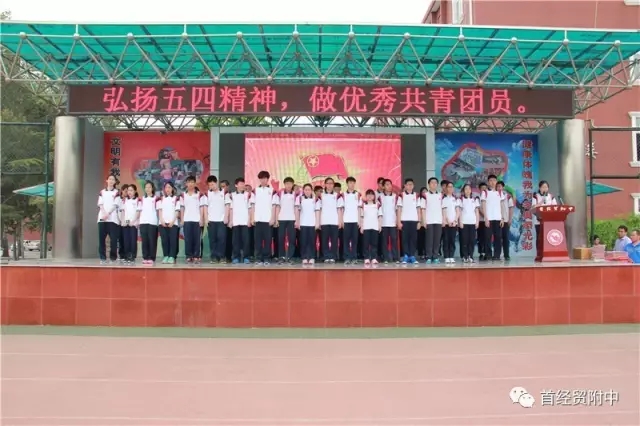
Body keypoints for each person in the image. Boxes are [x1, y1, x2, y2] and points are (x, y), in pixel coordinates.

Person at [252, 171, 276, 265]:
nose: (263, 180)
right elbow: (252, 205)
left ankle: (266, 258)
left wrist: (273, 218)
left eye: (265, 178)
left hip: (268, 220)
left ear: (267, 179)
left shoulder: (272, 191)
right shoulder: (255, 191)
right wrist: (252, 218)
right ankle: (258, 258)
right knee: (257, 240)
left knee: (268, 240)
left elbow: (274, 205)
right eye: (261, 178)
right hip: (258, 219)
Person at [204, 175, 230, 264]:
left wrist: (226, 217)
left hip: (221, 220)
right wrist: (206, 219)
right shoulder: (207, 194)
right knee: (212, 239)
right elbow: (205, 207)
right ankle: (214, 257)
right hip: (211, 220)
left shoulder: (224, 192)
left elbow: (227, 205)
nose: (211, 186)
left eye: (213, 184)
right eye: (210, 185)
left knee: (221, 239)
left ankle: (222, 257)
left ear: (216, 182)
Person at [180, 175, 206, 264]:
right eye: (189, 182)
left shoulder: (200, 195)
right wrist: (182, 219)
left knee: (197, 239)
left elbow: (201, 207)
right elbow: (182, 208)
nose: (190, 184)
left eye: (192, 182)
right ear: (186, 184)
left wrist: (201, 219)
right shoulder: (183, 195)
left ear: (195, 183)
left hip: (197, 220)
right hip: (187, 220)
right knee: (188, 239)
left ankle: (196, 256)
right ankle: (189, 256)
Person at [317, 177, 344, 263]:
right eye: (328, 183)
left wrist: (340, 221)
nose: (329, 185)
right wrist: (318, 222)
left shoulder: (338, 195)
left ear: (333, 185)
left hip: (334, 221)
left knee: (334, 240)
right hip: (324, 221)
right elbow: (319, 209)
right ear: (325, 184)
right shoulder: (321, 195)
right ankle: (325, 256)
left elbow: (339, 209)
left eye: (331, 183)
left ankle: (333, 256)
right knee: (324, 240)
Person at [480, 174, 506, 261]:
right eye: (490, 181)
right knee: (487, 237)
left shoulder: (500, 193)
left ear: (496, 181)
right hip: (489, 219)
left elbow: (502, 206)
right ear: (488, 182)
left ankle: (497, 255)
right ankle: (488, 255)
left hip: (498, 219)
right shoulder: (485, 192)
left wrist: (502, 218)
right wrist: (486, 218)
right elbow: (483, 205)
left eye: (494, 180)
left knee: (498, 237)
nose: (492, 182)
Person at [530, 180, 557, 259]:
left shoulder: (551, 196)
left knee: (548, 237)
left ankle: (548, 254)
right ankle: (539, 254)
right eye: (543, 187)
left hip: (549, 221)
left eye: (546, 187)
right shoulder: (535, 196)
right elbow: (533, 208)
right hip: (538, 221)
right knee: (539, 238)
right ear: (540, 188)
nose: (545, 189)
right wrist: (541, 202)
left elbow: (555, 207)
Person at [97, 175, 121, 264]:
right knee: (101, 239)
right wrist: (104, 213)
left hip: (113, 219)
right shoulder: (102, 192)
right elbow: (100, 204)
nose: (111, 181)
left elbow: (115, 205)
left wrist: (108, 213)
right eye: (109, 179)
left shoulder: (116, 192)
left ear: (115, 182)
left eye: (113, 179)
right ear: (106, 180)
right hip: (102, 218)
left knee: (113, 240)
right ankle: (102, 258)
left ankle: (113, 258)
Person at [295, 183, 320, 265]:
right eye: (306, 190)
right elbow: (297, 211)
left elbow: (317, 211)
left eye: (309, 190)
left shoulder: (316, 199)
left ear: (311, 190)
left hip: (312, 223)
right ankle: (304, 257)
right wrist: (297, 221)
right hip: (303, 223)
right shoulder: (299, 198)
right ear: (303, 190)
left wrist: (317, 223)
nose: (307, 191)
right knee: (303, 241)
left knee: (312, 241)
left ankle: (312, 257)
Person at [397, 178, 420, 265]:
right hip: (404, 220)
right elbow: (399, 209)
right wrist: (398, 221)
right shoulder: (401, 195)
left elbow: (418, 209)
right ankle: (406, 255)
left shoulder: (416, 195)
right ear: (405, 186)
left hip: (414, 220)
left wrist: (419, 221)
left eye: (411, 184)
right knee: (405, 239)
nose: (410, 186)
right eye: (408, 184)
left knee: (413, 239)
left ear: (413, 186)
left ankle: (412, 256)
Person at [229, 177, 253, 264]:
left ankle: (246, 257)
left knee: (246, 241)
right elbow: (231, 209)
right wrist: (231, 220)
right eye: (240, 184)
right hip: (235, 221)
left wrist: (250, 219)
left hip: (245, 221)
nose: (242, 185)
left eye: (243, 183)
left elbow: (250, 208)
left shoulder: (248, 195)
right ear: (236, 185)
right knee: (235, 241)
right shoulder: (232, 195)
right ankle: (236, 257)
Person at [274, 177, 297, 264]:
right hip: (281, 219)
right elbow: (277, 207)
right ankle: (281, 256)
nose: (288, 185)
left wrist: (297, 220)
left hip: (292, 219)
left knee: (292, 239)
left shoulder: (296, 194)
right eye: (287, 183)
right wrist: (276, 219)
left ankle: (290, 257)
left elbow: (296, 208)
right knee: (281, 238)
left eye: (290, 183)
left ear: (292, 184)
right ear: (284, 184)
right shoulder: (279, 193)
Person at [421, 177, 443, 264]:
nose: (434, 184)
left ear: (437, 184)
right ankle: (429, 256)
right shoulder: (425, 195)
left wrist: (443, 220)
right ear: (429, 184)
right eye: (432, 183)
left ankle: (435, 256)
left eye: (435, 183)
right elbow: (423, 209)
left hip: (438, 220)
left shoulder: (441, 195)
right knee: (429, 240)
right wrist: (424, 221)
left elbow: (443, 208)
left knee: (437, 240)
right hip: (429, 220)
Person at [158, 182, 181, 264]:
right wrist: (162, 221)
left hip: (173, 223)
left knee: (173, 240)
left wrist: (173, 221)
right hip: (162, 223)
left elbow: (177, 211)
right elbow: (160, 211)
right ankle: (166, 256)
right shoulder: (161, 199)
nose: (167, 189)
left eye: (169, 187)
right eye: (166, 187)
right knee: (164, 241)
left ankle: (172, 256)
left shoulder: (176, 199)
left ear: (172, 189)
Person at [139, 181, 160, 265]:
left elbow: (158, 211)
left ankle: (152, 257)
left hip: (152, 222)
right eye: (146, 187)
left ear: (152, 188)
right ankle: (145, 257)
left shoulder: (156, 199)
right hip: (143, 222)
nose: (147, 189)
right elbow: (139, 211)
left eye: (149, 187)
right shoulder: (142, 199)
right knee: (144, 241)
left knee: (152, 241)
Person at [379, 178, 399, 264]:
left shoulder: (395, 196)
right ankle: (386, 258)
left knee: (394, 240)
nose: (389, 186)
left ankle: (395, 258)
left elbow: (397, 210)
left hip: (393, 222)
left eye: (390, 184)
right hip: (383, 223)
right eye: (387, 185)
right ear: (383, 186)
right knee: (384, 242)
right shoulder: (380, 197)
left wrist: (397, 220)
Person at [342, 177, 361, 265]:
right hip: (346, 221)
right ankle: (347, 257)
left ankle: (354, 257)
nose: (352, 184)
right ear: (347, 184)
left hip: (355, 221)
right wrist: (341, 221)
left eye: (353, 183)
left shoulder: (358, 194)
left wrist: (359, 220)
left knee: (354, 240)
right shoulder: (343, 195)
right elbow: (341, 209)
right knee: (346, 240)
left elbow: (359, 208)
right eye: (350, 183)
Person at [120, 184, 141, 264]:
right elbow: (123, 211)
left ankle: (132, 256)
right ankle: (126, 256)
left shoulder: (138, 200)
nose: (129, 192)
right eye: (128, 190)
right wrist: (123, 221)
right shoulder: (124, 200)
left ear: (135, 191)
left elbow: (138, 212)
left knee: (133, 240)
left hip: (133, 223)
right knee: (126, 240)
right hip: (126, 223)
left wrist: (133, 221)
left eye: (131, 190)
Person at [458, 183, 479, 263]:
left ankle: (471, 256)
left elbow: (476, 212)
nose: (467, 190)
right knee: (464, 240)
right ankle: (465, 256)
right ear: (463, 191)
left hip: (472, 223)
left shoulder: (475, 200)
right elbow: (459, 212)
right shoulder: (461, 199)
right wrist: (460, 222)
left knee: (472, 240)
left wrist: (477, 222)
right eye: (466, 189)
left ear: (471, 191)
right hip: (464, 222)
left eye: (469, 189)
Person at [361, 189, 382, 266]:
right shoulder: (363, 205)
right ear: (366, 196)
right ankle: (366, 258)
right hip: (366, 227)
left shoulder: (377, 205)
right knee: (366, 243)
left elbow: (380, 216)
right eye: (368, 194)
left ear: (374, 196)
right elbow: (362, 217)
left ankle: (374, 258)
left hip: (375, 226)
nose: (370, 196)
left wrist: (380, 225)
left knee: (374, 243)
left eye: (371, 194)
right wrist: (361, 226)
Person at [441, 181, 459, 264]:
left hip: (454, 223)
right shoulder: (444, 199)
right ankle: (446, 256)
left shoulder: (456, 199)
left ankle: (451, 256)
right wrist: (448, 221)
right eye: (449, 187)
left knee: (452, 240)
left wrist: (455, 220)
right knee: (446, 240)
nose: (450, 188)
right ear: (446, 188)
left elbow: (457, 211)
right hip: (446, 223)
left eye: (452, 187)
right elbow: (444, 211)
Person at [497, 181, 514, 261]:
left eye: (500, 186)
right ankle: (497, 255)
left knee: (506, 238)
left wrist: (510, 219)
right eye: (497, 186)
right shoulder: (494, 196)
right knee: (497, 238)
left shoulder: (508, 196)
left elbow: (511, 208)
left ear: (503, 187)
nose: (499, 188)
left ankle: (506, 255)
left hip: (506, 220)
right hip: (497, 220)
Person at [220, 180, 233, 261]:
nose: (222, 188)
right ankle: (222, 256)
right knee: (221, 239)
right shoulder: (219, 195)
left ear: (228, 186)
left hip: (230, 221)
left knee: (229, 239)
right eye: (221, 187)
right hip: (221, 220)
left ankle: (229, 256)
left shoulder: (232, 195)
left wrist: (230, 220)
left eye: (224, 186)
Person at [476, 182, 488, 261]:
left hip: (488, 221)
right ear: (479, 189)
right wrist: (485, 216)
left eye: (485, 188)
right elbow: (479, 209)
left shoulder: (489, 197)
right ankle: (481, 253)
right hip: (481, 221)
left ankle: (487, 252)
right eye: (482, 188)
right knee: (481, 237)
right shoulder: (478, 198)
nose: (484, 190)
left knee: (487, 237)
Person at [118, 183, 129, 262]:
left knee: (126, 239)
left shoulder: (129, 200)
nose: (127, 193)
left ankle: (126, 255)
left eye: (128, 191)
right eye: (125, 191)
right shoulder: (118, 199)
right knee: (120, 239)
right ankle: (121, 255)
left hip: (126, 222)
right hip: (118, 222)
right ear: (122, 191)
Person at [313, 185, 324, 260]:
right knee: (312, 240)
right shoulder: (311, 200)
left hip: (321, 222)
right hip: (312, 223)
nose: (321, 193)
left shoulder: (323, 200)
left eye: (322, 191)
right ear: (315, 192)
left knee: (322, 240)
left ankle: (321, 255)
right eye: (320, 191)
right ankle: (313, 255)